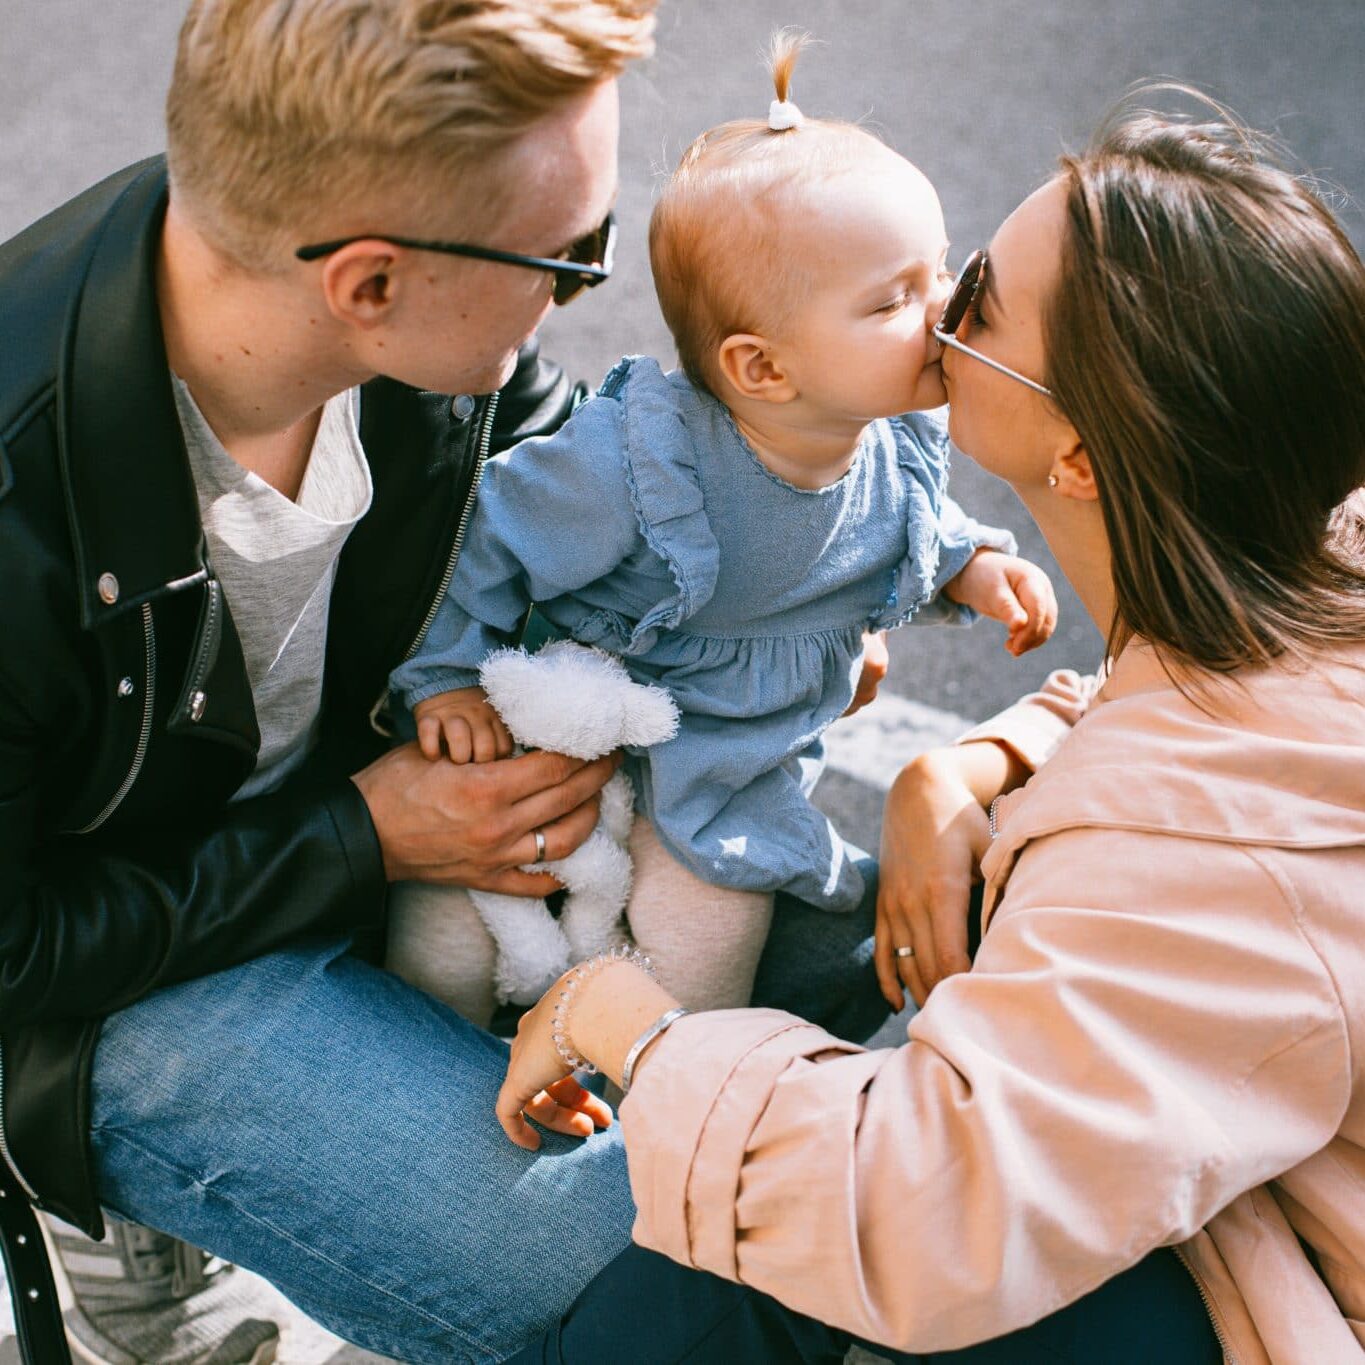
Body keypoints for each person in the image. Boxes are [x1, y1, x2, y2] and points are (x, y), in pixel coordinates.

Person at [494, 99, 1365, 1362]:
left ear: (1075, 457)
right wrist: (970, 761)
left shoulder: (1209, 860)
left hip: (1285, 1286)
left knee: (723, 1284)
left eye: (975, 303)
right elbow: (1207, 741)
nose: (936, 319)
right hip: (1264, 1171)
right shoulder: (1308, 554)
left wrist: (614, 1010)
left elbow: (916, 1208)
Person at [0, 2, 684, 1362]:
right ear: (368, 285)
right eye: (572, 256)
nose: (572, 289)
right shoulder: (20, 500)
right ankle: (120, 1239)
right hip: (102, 984)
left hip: (358, 809)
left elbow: (540, 441)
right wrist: (362, 837)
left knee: (826, 1012)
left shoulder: (364, 302)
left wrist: (746, 600)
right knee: (619, 1267)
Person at [384, 33, 1056, 1021]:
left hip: (730, 769)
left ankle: (640, 1110)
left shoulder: (896, 434)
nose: (945, 305)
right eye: (895, 298)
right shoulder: (637, 462)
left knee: (704, 956)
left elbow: (913, 522)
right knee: (453, 937)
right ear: (763, 370)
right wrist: (446, 678)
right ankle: (426, 1065)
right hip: (577, 725)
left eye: (942, 269)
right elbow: (494, 535)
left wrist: (972, 568)